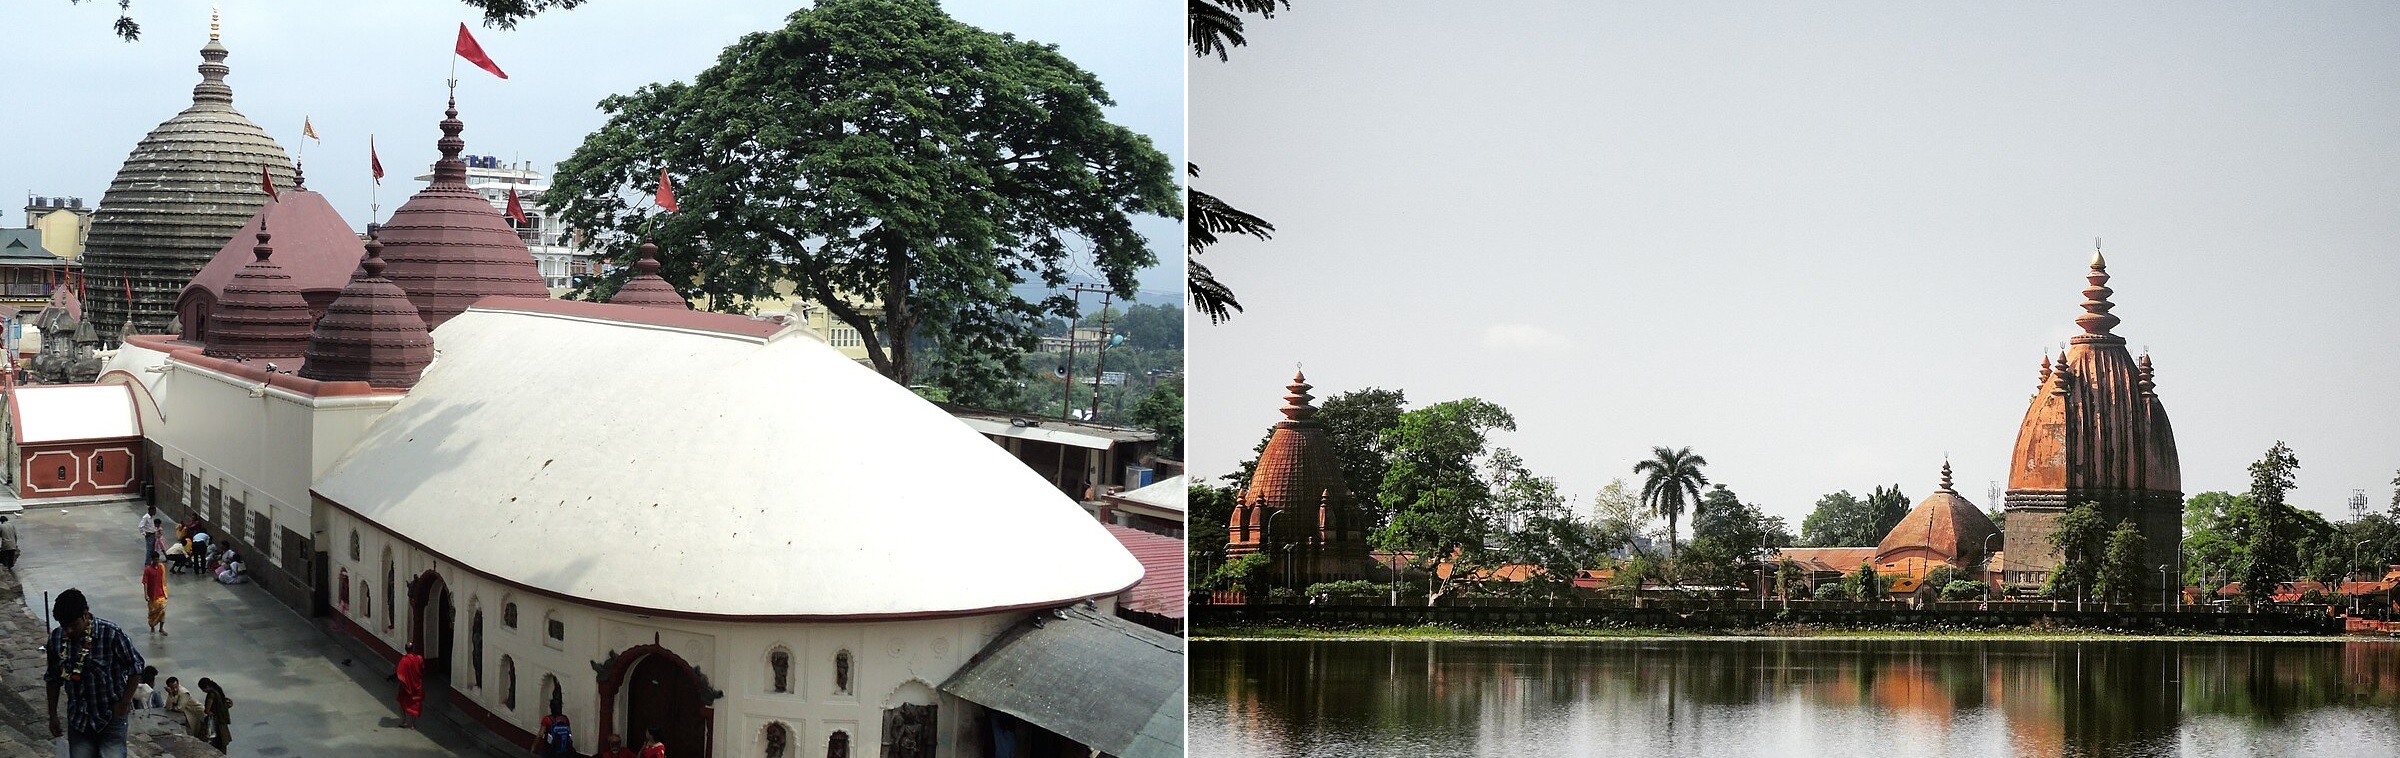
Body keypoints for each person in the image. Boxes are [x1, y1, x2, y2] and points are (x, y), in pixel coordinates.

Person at [44, 588, 146, 758]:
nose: (68, 631)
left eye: (72, 625)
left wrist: (124, 703)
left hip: (110, 716)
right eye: (64, 626)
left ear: (85, 615)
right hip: (78, 719)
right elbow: (53, 679)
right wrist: (53, 715)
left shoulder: (111, 634)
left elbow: (136, 666)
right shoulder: (57, 639)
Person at [395, 642, 425, 728]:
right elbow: (422, 670)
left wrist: (404, 683)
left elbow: (400, 673)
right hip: (417, 685)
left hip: (406, 686)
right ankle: (412, 724)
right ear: (413, 649)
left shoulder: (404, 661)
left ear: (405, 649)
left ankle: (404, 721)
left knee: (401, 702)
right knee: (415, 704)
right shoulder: (419, 658)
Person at [198, 678, 232, 751]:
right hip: (221, 721)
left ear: (207, 687)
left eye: (203, 689)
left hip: (216, 722)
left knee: (216, 742)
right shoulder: (217, 690)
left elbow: (207, 710)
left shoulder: (211, 695)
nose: (203, 691)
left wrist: (209, 713)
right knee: (223, 742)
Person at [141, 556, 168, 635]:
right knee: (153, 613)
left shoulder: (161, 567)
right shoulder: (148, 570)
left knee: (162, 612)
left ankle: (161, 628)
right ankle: (152, 627)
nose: (157, 561)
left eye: (157, 559)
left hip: (161, 594)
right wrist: (146, 595)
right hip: (152, 595)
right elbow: (145, 583)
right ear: (152, 560)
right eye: (155, 559)